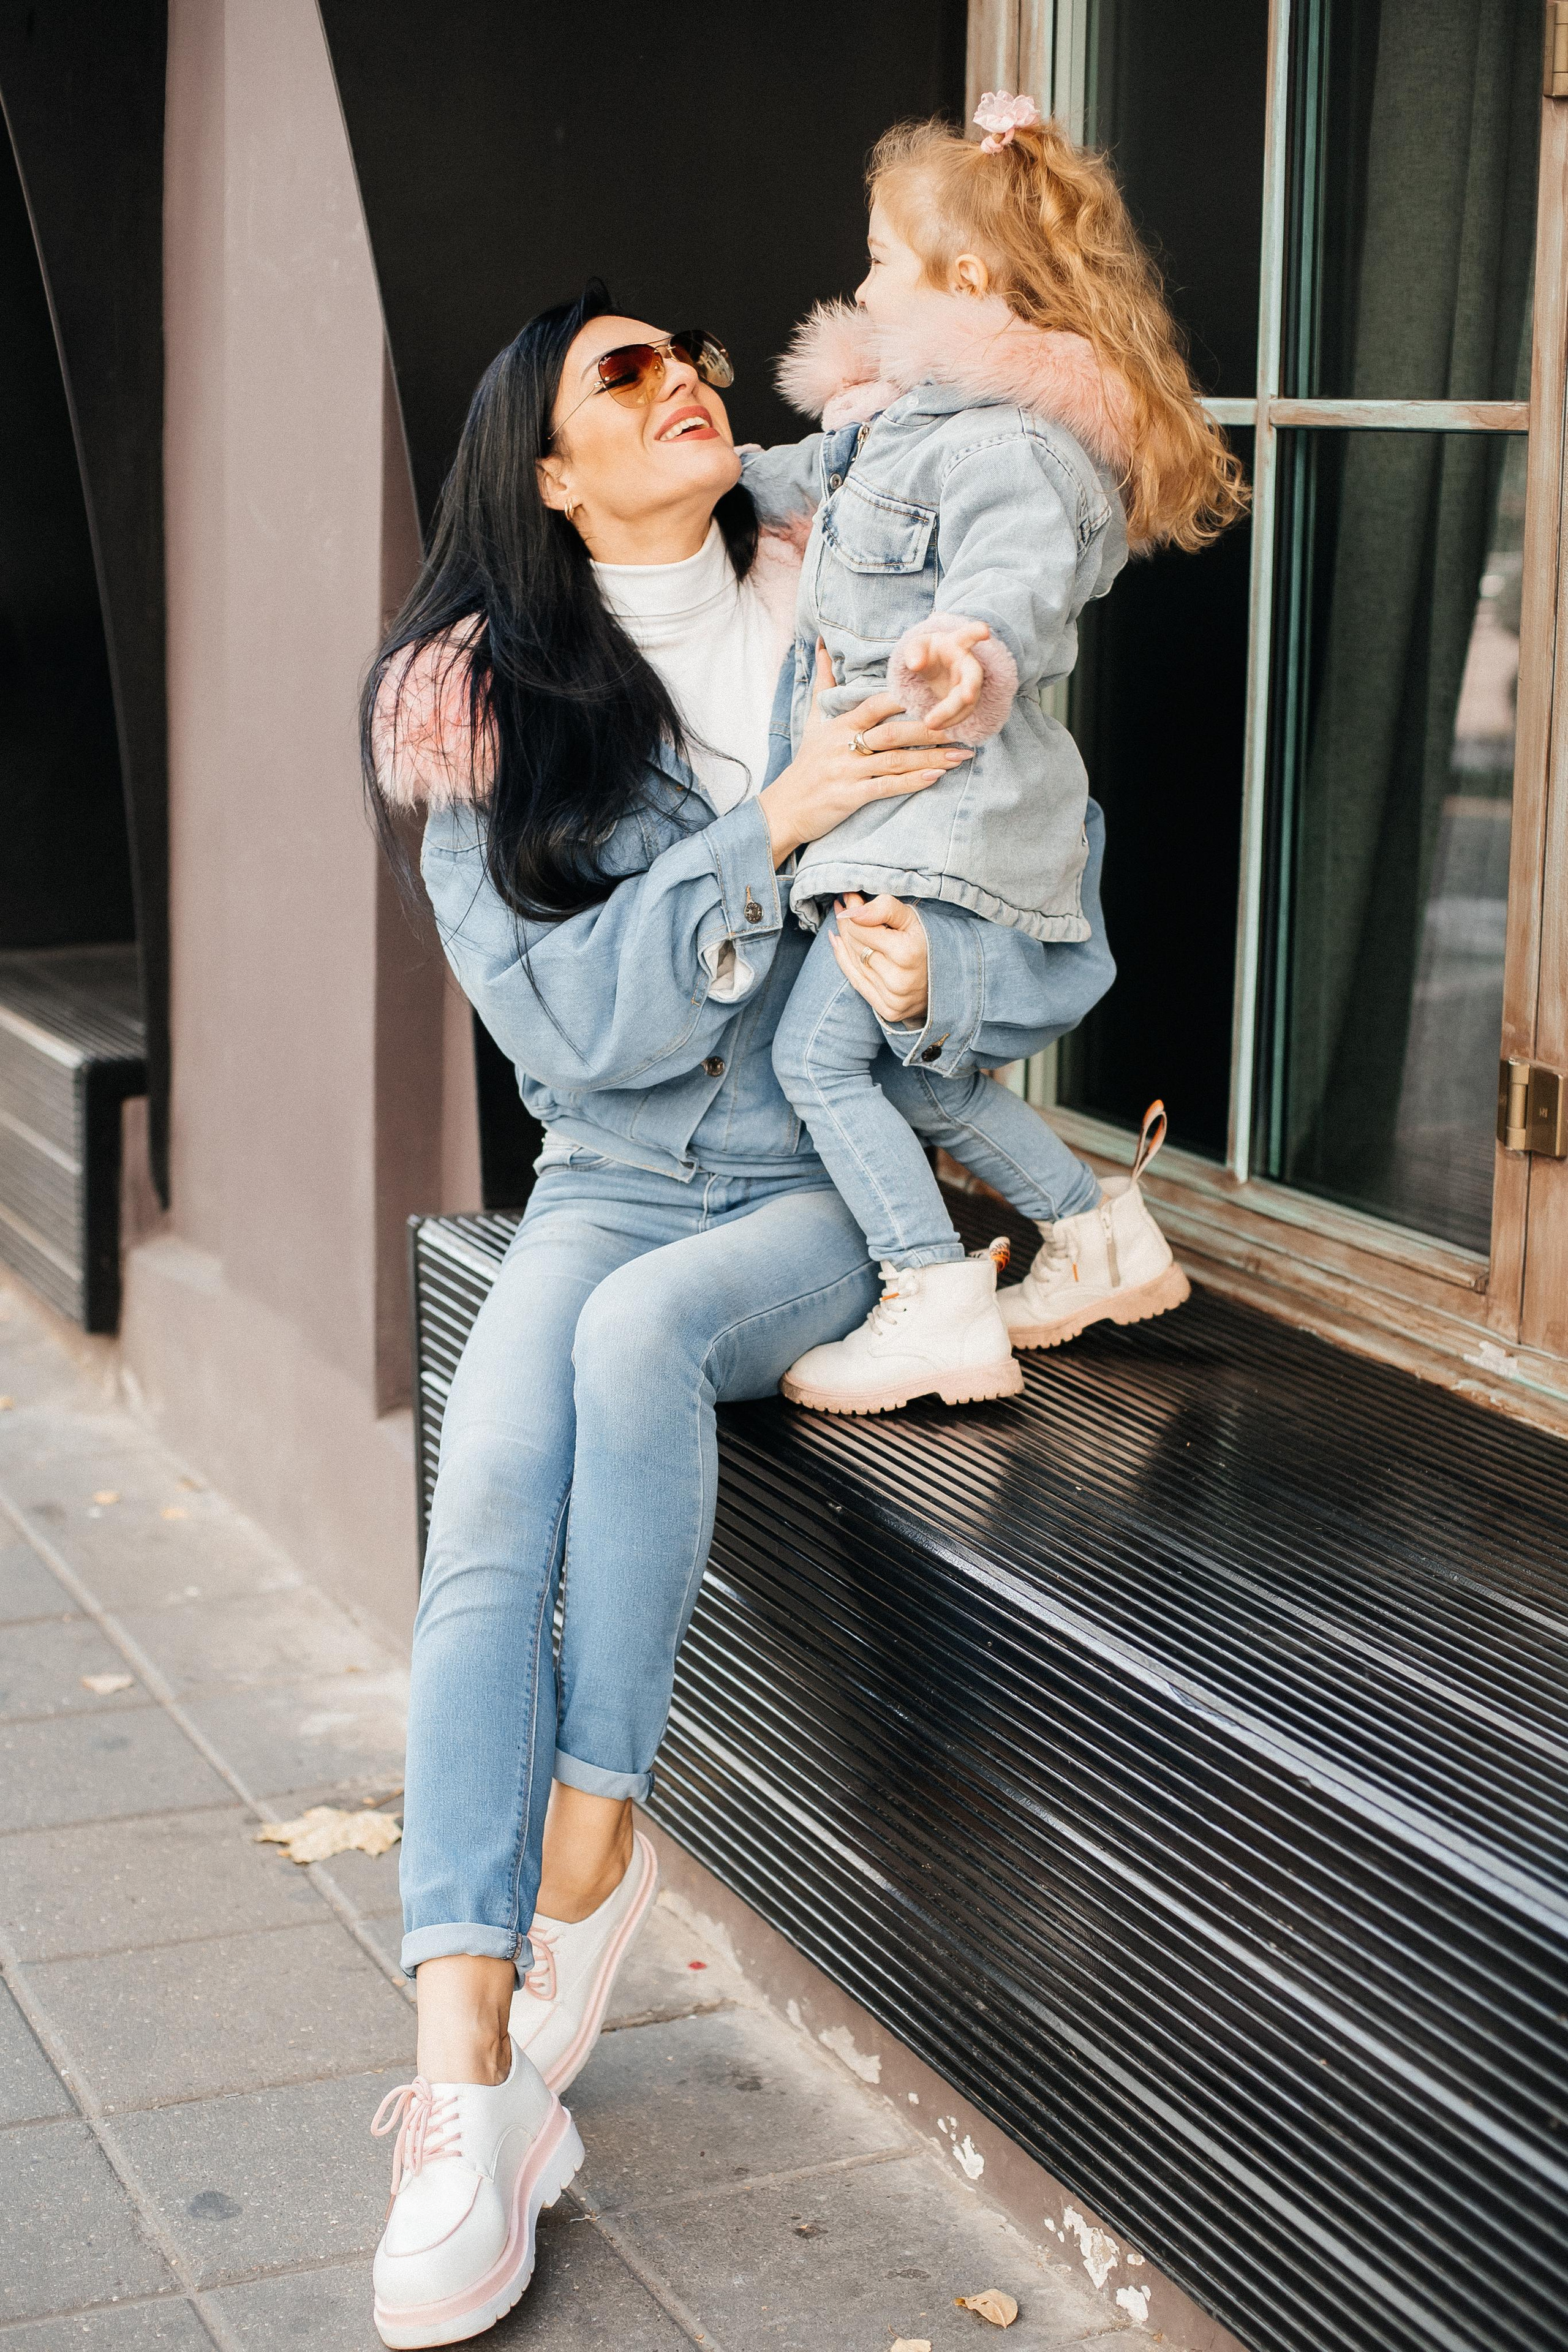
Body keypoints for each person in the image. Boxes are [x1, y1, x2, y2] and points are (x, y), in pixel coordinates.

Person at [359, 285, 1114, 2346]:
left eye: (689, 351)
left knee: (627, 1348)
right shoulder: (480, 715)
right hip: (608, 1179)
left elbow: (1032, 878)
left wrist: (941, 988)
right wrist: (772, 831)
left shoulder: (855, 599)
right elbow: (568, 1035)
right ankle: (463, 2076)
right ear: (547, 471)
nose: (685, 376)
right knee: (482, 1513)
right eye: (627, 372)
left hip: (815, 1191)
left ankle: (595, 1840)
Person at [739, 97, 1247, 1415]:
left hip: (938, 811)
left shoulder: (1014, 446)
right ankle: (1098, 1240)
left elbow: (1006, 585)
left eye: (877, 263)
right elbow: (808, 476)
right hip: (895, 811)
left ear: (964, 280)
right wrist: (697, 481)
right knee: (922, 1072)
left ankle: (933, 1302)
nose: (858, 291)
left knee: (817, 1062)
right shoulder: (903, 417)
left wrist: (961, 645)